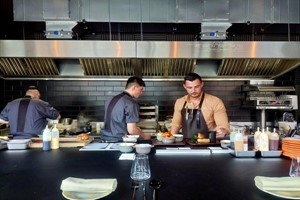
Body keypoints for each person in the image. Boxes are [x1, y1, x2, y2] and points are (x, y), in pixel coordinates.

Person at [170, 73, 230, 139]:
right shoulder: (180, 102)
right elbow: (176, 125)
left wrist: (222, 130)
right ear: (184, 86)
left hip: (208, 142)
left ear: (202, 84)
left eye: (196, 87)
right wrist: (170, 138)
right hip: (185, 143)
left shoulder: (215, 101)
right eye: (189, 87)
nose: (193, 91)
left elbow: (223, 125)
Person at [101, 77, 150, 141]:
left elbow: (116, 122)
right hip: (120, 142)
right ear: (134, 87)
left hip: (104, 140)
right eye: (141, 89)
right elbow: (132, 130)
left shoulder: (111, 99)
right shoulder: (131, 103)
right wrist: (144, 136)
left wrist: (136, 128)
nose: (141, 93)